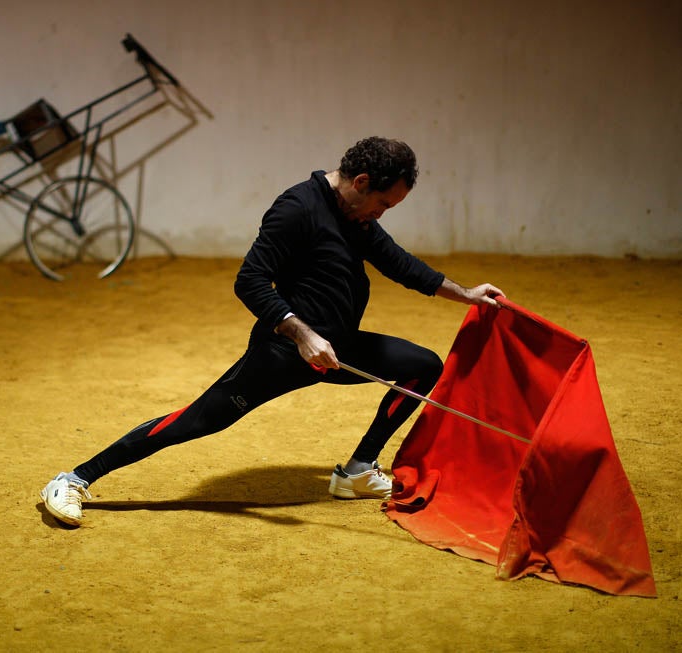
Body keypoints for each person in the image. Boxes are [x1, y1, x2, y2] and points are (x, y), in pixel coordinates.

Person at [40, 136, 504, 526]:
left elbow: (399, 263)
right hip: (284, 351)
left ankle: (358, 471)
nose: (382, 214)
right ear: (361, 182)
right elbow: (250, 280)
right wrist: (302, 335)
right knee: (198, 421)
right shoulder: (297, 208)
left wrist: (465, 294)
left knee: (423, 367)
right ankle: (75, 478)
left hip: (336, 348)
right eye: (383, 203)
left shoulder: (355, 215)